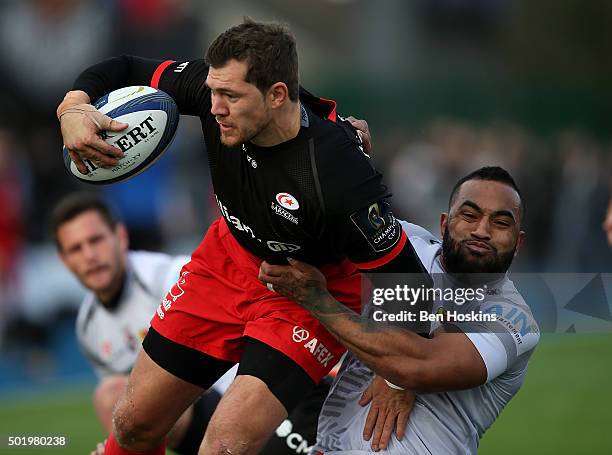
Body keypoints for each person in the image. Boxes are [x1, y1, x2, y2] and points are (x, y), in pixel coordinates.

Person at [56, 19, 416, 454]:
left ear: (277, 95)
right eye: (212, 90)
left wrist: (397, 377)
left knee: (223, 447)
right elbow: (124, 65)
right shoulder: (211, 92)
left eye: (230, 96)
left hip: (304, 293)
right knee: (133, 424)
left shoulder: (339, 172)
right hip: (226, 263)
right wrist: (72, 108)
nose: (214, 107)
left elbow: (408, 279)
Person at [259, 166, 541, 454]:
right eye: (469, 215)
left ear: (518, 243)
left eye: (500, 223)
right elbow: (313, 210)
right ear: (444, 224)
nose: (482, 231)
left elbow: (416, 366)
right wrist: (343, 145)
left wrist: (317, 300)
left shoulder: (515, 321)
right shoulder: (403, 245)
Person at [51, 192, 337, 455]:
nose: (89, 256)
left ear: (121, 237)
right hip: (202, 413)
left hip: (258, 399)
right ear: (64, 261)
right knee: (113, 398)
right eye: (76, 249)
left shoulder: (172, 275)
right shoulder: (88, 327)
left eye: (96, 240)